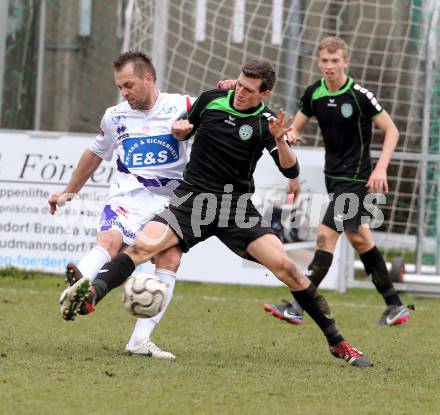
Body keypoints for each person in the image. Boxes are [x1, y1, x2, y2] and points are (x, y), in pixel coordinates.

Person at [61, 58, 372, 367]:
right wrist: (182, 130)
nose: (240, 93)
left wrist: (280, 138)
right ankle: (91, 296)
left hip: (234, 208)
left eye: (249, 90)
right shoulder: (211, 99)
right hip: (192, 199)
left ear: (263, 94)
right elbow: (185, 129)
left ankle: (338, 343)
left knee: (287, 268)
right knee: (142, 247)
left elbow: (291, 167)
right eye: (239, 85)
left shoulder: (266, 122)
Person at [49, 51, 195, 359]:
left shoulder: (182, 106)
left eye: (128, 85)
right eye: (120, 87)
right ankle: (76, 290)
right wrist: (69, 191)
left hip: (170, 203)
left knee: (169, 261)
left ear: (147, 78)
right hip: (127, 197)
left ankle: (139, 341)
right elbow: (95, 153)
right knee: (110, 240)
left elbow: (222, 114)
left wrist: (227, 92)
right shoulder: (114, 115)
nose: (124, 93)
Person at [263, 36, 411, 327]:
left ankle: (298, 305)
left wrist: (380, 169)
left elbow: (391, 131)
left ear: (345, 61)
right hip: (333, 177)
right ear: (319, 61)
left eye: (335, 61)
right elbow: (296, 129)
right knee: (360, 239)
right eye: (325, 61)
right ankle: (395, 305)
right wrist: (289, 135)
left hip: (355, 178)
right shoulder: (314, 93)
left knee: (325, 235)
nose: (329, 66)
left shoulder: (359, 95)